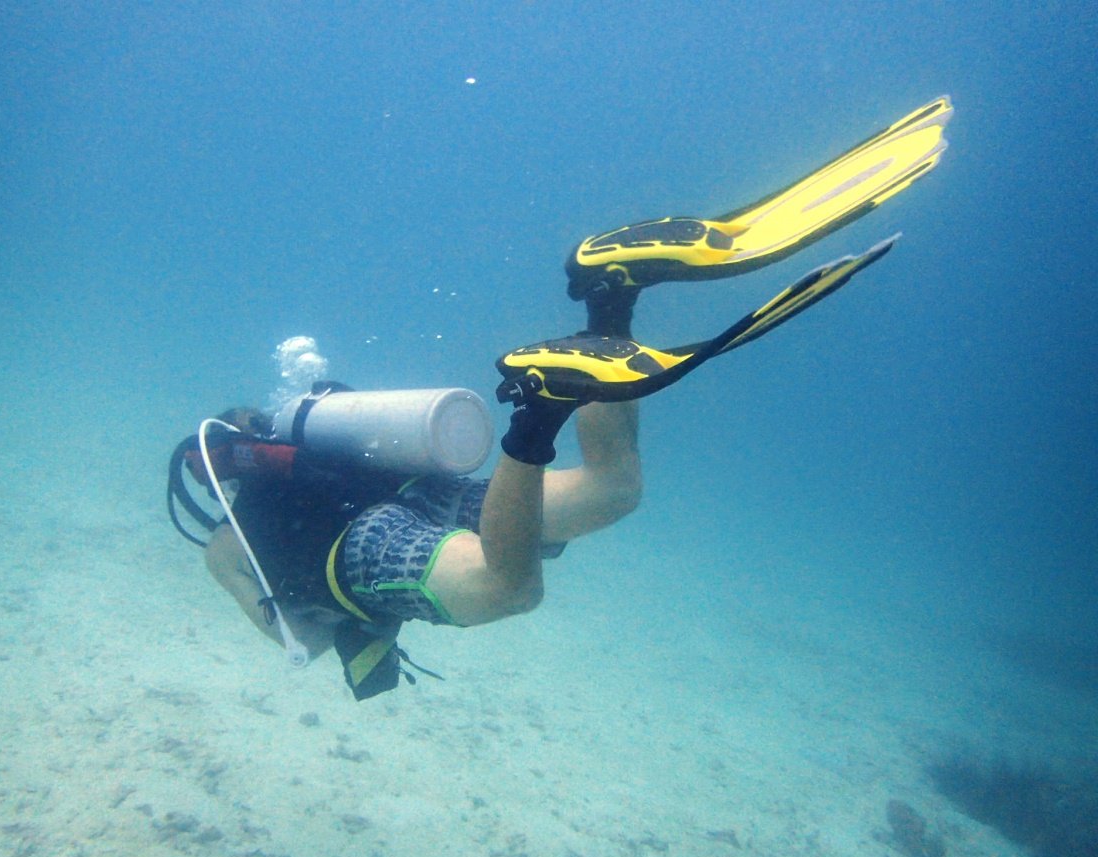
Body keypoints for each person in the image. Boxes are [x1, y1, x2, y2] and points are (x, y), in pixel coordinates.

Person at [186, 96, 953, 699]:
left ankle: (539, 414)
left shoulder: (228, 543)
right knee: (614, 490)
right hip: (418, 487)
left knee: (507, 589)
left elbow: (303, 639)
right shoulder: (326, 450)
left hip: (357, 549)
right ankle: (607, 305)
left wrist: (324, 626)